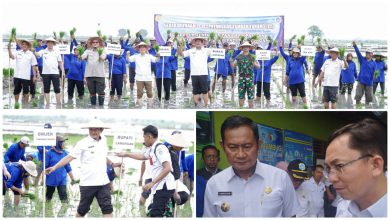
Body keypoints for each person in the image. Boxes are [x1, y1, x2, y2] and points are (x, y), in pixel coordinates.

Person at [203, 115, 298, 217]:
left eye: (247, 146)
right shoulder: (214, 184)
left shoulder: (280, 178)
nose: (241, 155)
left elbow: (291, 215)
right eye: (233, 147)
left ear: (259, 144)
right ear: (223, 146)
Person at [45, 117, 122, 217]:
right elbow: (69, 157)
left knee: (108, 210)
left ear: (101, 130)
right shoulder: (82, 143)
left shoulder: (104, 140)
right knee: (82, 211)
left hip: (103, 183)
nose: (93, 131)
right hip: (88, 184)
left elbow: (103, 157)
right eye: (91, 129)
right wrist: (54, 167)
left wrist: (112, 164)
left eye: (96, 129)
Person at [325, 118, 387, 217]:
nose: (331, 179)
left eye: (339, 166)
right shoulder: (344, 207)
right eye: (328, 169)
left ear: (376, 165)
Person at [116, 125, 175, 217]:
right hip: (159, 187)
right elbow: (142, 156)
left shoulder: (160, 148)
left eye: (144, 137)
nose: (143, 140)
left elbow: (167, 168)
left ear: (149, 137)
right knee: (157, 212)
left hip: (164, 186)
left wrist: (152, 183)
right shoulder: (152, 148)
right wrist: (126, 154)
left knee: (156, 214)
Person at [178, 37, 211, 107]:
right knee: (195, 91)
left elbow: (217, 53)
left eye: (200, 41)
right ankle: (195, 105)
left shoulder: (207, 50)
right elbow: (181, 54)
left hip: (204, 74)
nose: (198, 42)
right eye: (196, 41)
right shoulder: (190, 51)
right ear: (194, 43)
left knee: (205, 91)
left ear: (202, 43)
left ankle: (206, 106)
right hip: (194, 74)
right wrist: (179, 46)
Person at [127, 42, 159, 107]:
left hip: (148, 78)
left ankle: (149, 107)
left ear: (146, 49)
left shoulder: (149, 56)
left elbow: (156, 60)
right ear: (139, 49)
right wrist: (127, 54)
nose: (142, 49)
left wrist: (158, 56)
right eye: (141, 47)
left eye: (144, 47)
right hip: (139, 78)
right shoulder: (136, 56)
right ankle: (140, 107)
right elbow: (129, 60)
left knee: (150, 93)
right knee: (139, 94)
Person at [45, 136, 76, 203]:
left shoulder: (65, 153)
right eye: (63, 142)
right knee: (48, 197)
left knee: (64, 197)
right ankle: (47, 210)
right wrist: (44, 172)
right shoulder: (49, 153)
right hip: (51, 179)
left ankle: (64, 211)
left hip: (62, 179)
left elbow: (68, 167)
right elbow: (44, 166)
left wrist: (73, 178)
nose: (64, 144)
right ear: (58, 143)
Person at [34, 37, 64, 106]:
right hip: (46, 73)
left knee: (57, 89)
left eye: (51, 42)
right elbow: (38, 55)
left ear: (53, 44)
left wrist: (63, 71)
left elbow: (60, 62)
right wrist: (34, 51)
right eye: (48, 42)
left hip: (55, 73)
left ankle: (58, 103)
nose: (50, 44)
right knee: (46, 89)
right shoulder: (43, 51)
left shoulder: (57, 52)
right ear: (46, 43)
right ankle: (47, 104)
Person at [230, 42, 260, 108]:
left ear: (249, 48)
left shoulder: (253, 57)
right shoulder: (239, 57)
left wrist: (255, 64)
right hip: (241, 79)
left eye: (247, 46)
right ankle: (241, 109)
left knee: (251, 97)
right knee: (241, 97)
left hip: (250, 80)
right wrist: (231, 61)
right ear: (242, 48)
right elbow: (233, 66)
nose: (245, 48)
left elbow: (258, 67)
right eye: (244, 47)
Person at [8, 39, 38, 105]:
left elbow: (34, 66)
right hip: (17, 75)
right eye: (23, 44)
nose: (24, 45)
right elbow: (11, 57)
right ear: (21, 45)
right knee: (16, 91)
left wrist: (34, 76)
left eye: (25, 44)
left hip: (26, 76)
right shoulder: (17, 52)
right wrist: (9, 49)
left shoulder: (31, 54)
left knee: (26, 91)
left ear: (28, 46)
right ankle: (16, 103)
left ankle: (26, 104)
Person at [81, 37, 107, 106]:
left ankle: (101, 108)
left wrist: (99, 52)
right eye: (93, 42)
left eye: (96, 42)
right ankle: (93, 108)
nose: (95, 43)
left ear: (99, 43)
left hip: (100, 75)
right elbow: (83, 57)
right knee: (92, 92)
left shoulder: (103, 50)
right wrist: (80, 55)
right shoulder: (88, 51)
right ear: (91, 44)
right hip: (89, 74)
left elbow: (103, 58)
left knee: (101, 92)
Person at [352, 41, 376, 105]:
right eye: (366, 52)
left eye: (368, 53)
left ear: (371, 54)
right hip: (361, 81)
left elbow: (375, 73)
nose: (367, 53)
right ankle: (357, 107)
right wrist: (355, 46)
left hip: (369, 83)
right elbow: (358, 53)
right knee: (358, 96)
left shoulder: (374, 63)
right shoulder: (362, 60)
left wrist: (375, 76)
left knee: (368, 99)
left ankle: (366, 109)